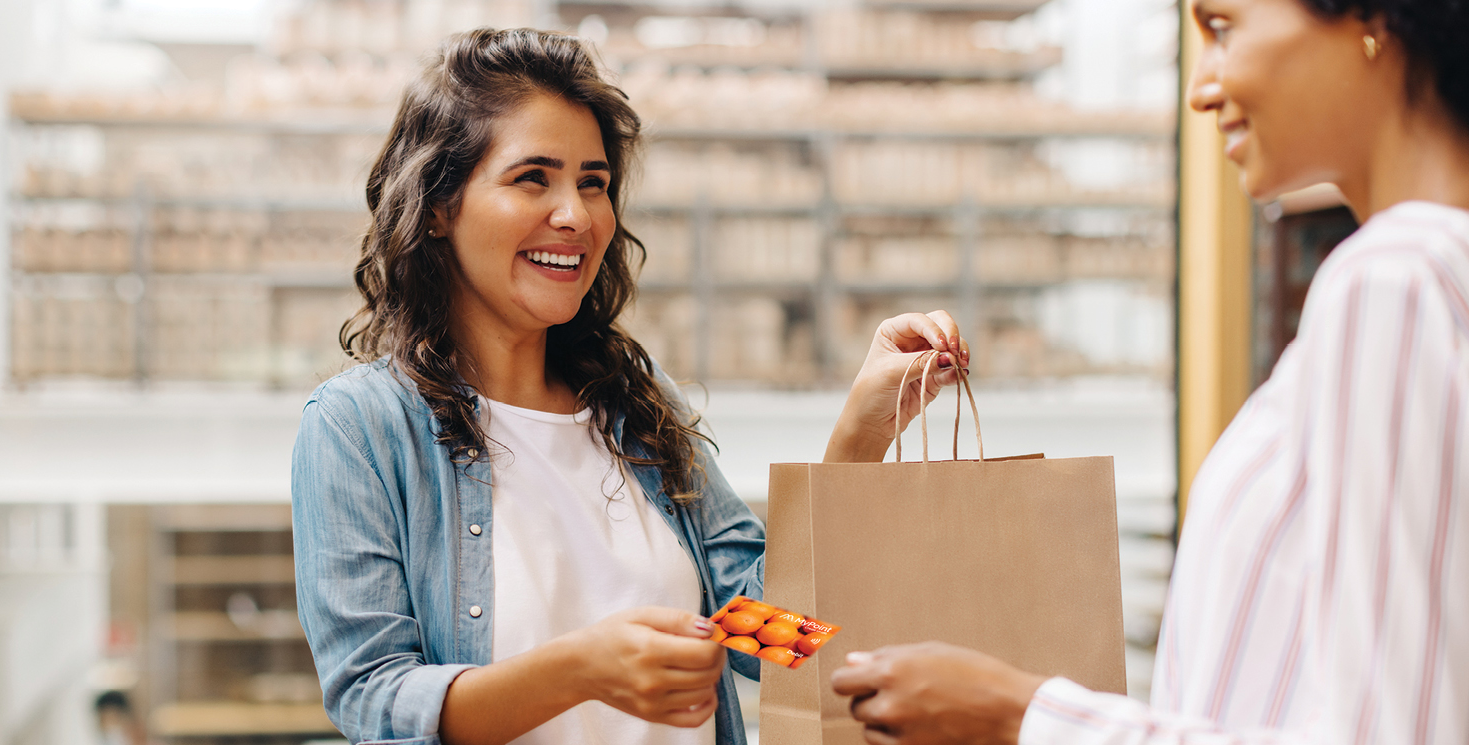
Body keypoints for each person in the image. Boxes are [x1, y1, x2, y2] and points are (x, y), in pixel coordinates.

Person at [290, 27, 970, 745]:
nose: (577, 216)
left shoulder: (635, 405)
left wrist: (862, 433)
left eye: (594, 182)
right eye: (532, 178)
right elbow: (372, 697)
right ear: (437, 205)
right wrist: (580, 669)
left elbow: (773, 641)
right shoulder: (359, 427)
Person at [829, 0, 1469, 743]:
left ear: (1373, 18)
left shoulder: (1397, 278)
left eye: (1222, 27)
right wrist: (856, 442)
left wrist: (1023, 714)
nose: (1200, 88)